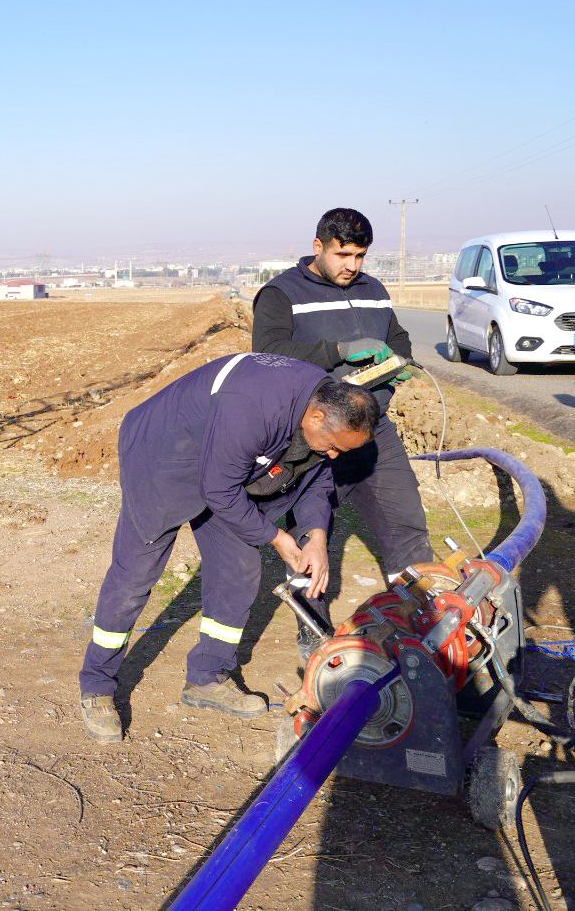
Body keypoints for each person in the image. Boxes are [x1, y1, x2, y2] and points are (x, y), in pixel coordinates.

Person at [78, 353, 378, 742]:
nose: (334, 455)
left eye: (342, 451)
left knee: (238, 570)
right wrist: (276, 536)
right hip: (166, 457)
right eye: (333, 446)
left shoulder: (321, 406)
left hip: (228, 466)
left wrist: (317, 534)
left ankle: (207, 679)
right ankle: (97, 686)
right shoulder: (254, 404)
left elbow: (314, 476)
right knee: (135, 574)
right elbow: (217, 489)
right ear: (316, 418)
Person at [251, 207, 434, 649]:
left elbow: (399, 336)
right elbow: (268, 352)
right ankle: (314, 634)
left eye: (360, 256)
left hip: (374, 434)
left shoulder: (373, 290)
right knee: (311, 530)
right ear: (318, 247)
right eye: (343, 254)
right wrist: (338, 350)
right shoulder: (280, 294)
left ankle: (422, 621)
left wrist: (398, 361)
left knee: (405, 520)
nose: (352, 266)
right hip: (313, 435)